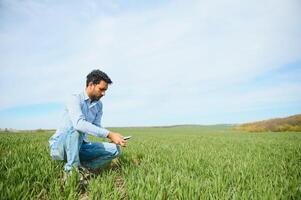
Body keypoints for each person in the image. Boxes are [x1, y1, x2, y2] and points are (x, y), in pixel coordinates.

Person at [49, 69, 126, 173]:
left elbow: (97, 127)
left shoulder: (99, 105)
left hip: (81, 146)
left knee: (115, 150)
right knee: (78, 129)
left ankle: (85, 168)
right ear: (91, 85)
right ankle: (71, 173)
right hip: (60, 147)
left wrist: (113, 137)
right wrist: (109, 134)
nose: (104, 93)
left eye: (105, 90)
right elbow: (79, 124)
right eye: (101, 89)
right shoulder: (75, 98)